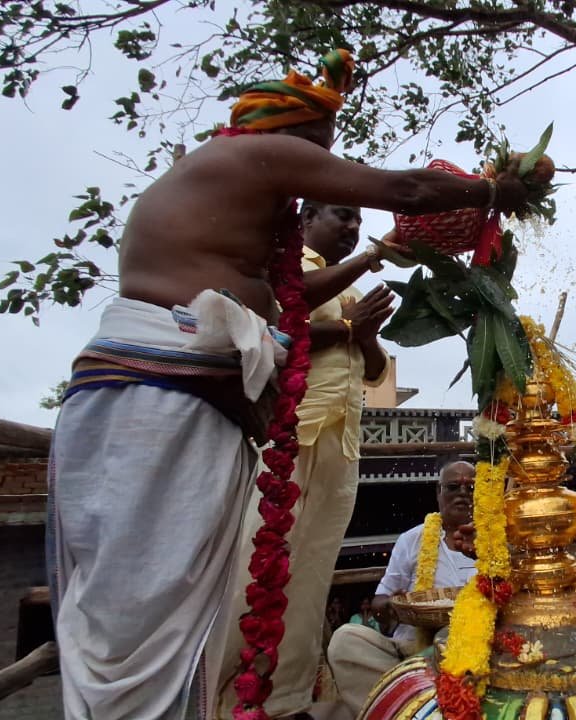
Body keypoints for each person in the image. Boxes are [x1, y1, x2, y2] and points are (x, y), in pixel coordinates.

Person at [49, 48, 533, 720]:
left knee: (186, 594)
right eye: (320, 156)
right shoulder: (252, 155)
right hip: (155, 393)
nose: (321, 175)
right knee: (141, 599)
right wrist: (489, 192)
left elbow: (303, 333)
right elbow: (408, 191)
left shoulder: (252, 216)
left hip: (203, 407)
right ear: (293, 137)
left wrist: (355, 327)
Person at [207, 201, 394, 720]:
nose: (354, 228)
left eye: (360, 222)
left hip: (342, 444)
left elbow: (374, 371)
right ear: (308, 220)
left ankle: (285, 699)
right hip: (290, 436)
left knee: (311, 573)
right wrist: (350, 327)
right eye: (343, 216)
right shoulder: (287, 267)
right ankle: (226, 700)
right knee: (258, 563)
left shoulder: (350, 293)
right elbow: (277, 329)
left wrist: (367, 334)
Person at [327, 461, 478, 718]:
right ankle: (402, 708)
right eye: (453, 487)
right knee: (345, 641)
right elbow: (381, 599)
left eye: (471, 487)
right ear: (438, 493)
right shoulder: (412, 539)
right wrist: (393, 608)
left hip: (476, 650)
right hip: (412, 653)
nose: (462, 493)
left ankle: (416, 705)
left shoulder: (496, 540)